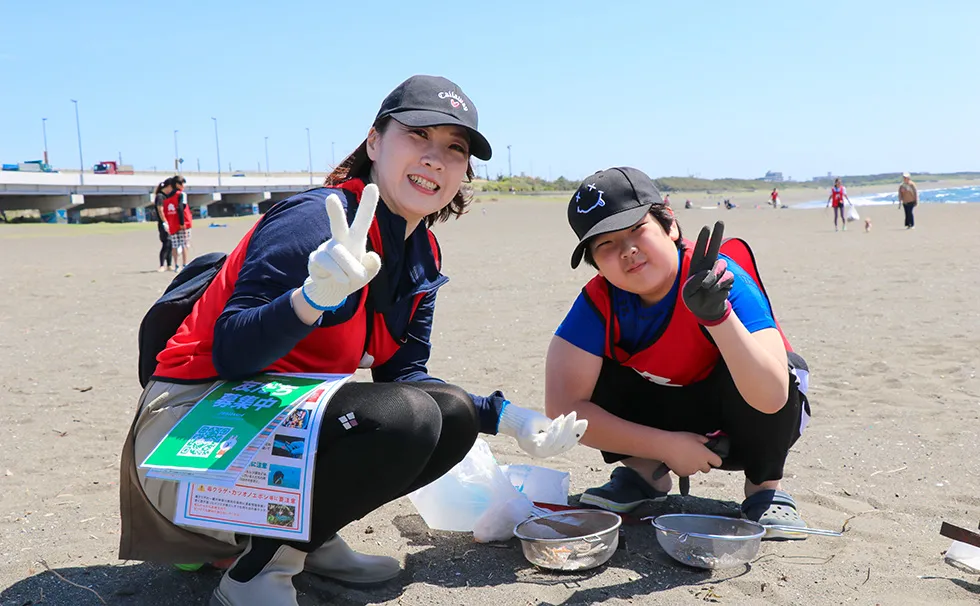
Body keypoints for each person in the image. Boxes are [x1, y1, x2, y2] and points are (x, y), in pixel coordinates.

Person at [118, 75, 586, 606]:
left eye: (454, 149)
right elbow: (231, 351)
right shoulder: (318, 219)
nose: (435, 158)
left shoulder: (421, 252)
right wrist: (310, 300)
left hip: (271, 429)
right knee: (407, 418)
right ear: (373, 142)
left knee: (449, 414)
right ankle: (259, 574)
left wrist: (510, 419)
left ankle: (305, 539)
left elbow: (406, 376)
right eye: (417, 136)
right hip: (188, 435)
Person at [545, 167, 811, 539]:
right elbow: (564, 408)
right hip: (663, 424)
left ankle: (764, 490)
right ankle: (644, 473)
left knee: (786, 368)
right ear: (594, 262)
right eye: (605, 244)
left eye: (636, 229)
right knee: (595, 368)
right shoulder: (599, 303)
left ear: (670, 224)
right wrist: (663, 446)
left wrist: (718, 317)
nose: (627, 251)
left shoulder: (720, 278)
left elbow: (771, 396)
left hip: (738, 431)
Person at [161, 175, 190, 272]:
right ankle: (185, 265)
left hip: (172, 224)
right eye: (182, 183)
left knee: (175, 245)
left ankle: (176, 265)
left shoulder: (167, 197)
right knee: (184, 244)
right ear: (177, 184)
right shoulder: (181, 195)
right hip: (181, 224)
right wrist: (182, 223)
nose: (184, 186)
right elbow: (181, 208)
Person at [152, 178, 176, 272]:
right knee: (166, 243)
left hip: (170, 223)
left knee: (170, 244)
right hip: (163, 223)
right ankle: (162, 265)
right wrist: (165, 222)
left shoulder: (167, 196)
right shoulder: (160, 196)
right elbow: (160, 210)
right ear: (169, 186)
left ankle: (169, 265)